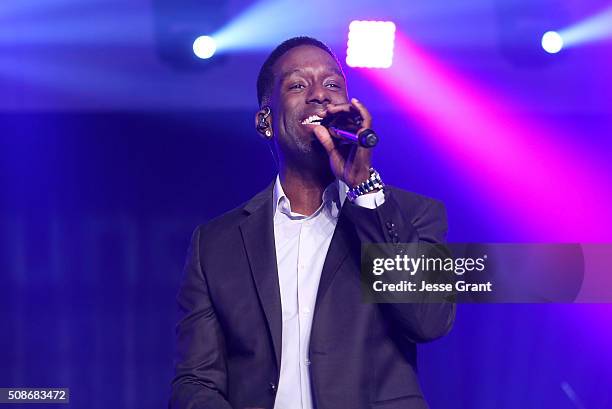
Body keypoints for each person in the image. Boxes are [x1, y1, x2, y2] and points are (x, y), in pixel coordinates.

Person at [169, 36, 455, 409]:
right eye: (298, 85)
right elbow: (196, 380)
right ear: (265, 121)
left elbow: (429, 320)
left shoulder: (412, 215)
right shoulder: (216, 244)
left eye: (333, 85)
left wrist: (364, 189)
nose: (320, 95)